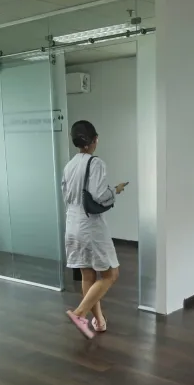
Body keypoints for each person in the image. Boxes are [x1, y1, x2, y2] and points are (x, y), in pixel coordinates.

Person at [62, 120, 128, 339]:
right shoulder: (96, 163)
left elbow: (66, 196)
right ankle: (80, 313)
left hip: (72, 223)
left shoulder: (69, 165)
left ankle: (99, 321)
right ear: (95, 140)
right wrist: (115, 191)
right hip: (90, 225)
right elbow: (100, 195)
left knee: (87, 275)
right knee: (111, 274)